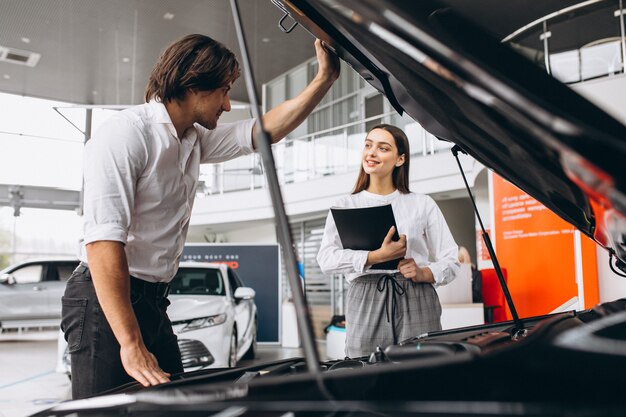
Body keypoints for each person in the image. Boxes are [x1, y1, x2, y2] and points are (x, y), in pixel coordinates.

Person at [61, 34, 339, 399]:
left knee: (174, 404)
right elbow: (102, 243)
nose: (227, 105)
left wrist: (324, 79)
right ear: (193, 86)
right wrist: (129, 343)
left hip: (153, 300)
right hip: (104, 299)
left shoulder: (193, 139)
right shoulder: (126, 135)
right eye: (223, 91)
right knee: (108, 410)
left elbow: (265, 129)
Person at [316, 124, 459, 357]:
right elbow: (326, 260)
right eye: (368, 145)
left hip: (416, 294)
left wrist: (424, 273)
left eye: (382, 148)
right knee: (365, 372)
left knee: (422, 369)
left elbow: (451, 259)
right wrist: (375, 257)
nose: (371, 153)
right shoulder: (345, 205)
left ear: (400, 159)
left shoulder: (422, 203)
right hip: (365, 296)